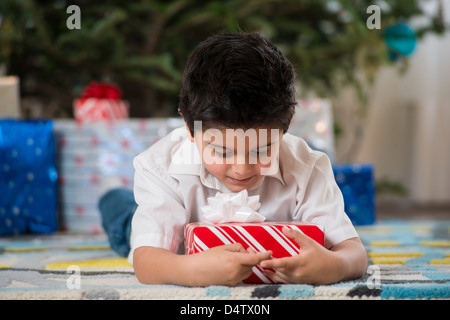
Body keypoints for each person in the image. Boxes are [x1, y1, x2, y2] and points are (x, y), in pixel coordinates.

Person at [99, 32, 367, 286]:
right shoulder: (160, 167)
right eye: (223, 152)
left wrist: (334, 266)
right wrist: (192, 270)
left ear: (285, 129)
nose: (242, 168)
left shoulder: (307, 167)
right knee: (123, 222)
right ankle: (111, 198)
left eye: (262, 150)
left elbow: (353, 252)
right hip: (170, 231)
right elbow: (147, 262)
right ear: (189, 128)